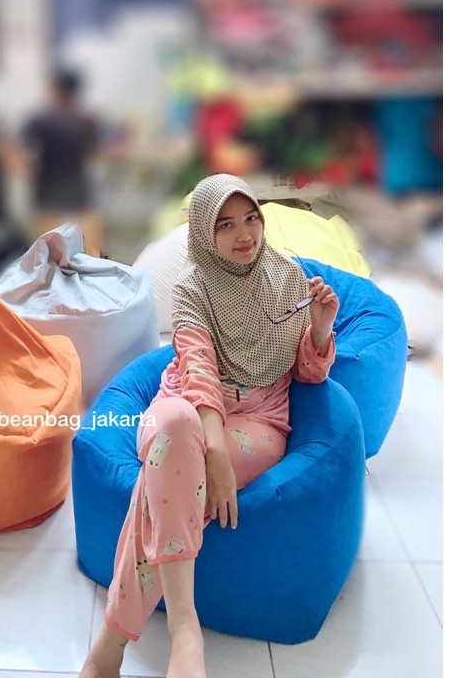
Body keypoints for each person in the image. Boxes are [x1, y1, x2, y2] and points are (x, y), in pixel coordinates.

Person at [80, 173, 340, 678]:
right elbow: (198, 375)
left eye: (251, 219)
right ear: (204, 232)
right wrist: (215, 454)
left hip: (259, 419)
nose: (245, 234)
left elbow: (309, 374)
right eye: (226, 224)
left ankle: (113, 643)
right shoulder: (190, 289)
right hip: (185, 406)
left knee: (162, 483)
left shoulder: (289, 278)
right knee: (176, 428)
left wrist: (321, 327)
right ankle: (186, 627)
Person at [15, 66, 106, 256]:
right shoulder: (87, 120)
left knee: (48, 257)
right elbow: (94, 151)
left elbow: (17, 150)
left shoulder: (41, 119)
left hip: (48, 196)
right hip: (81, 196)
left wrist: (28, 172)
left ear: (57, 88)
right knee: (90, 255)